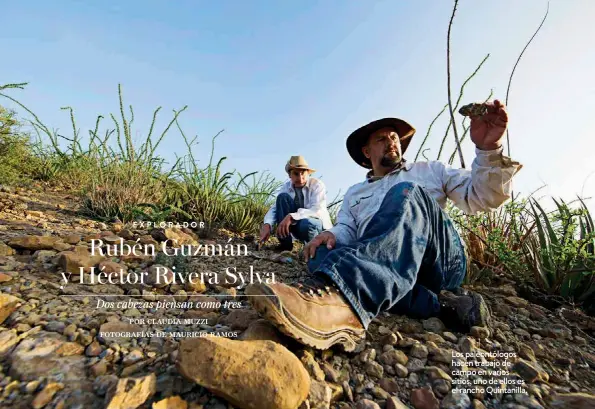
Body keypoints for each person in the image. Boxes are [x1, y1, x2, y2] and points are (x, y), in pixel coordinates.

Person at [247, 100, 522, 352]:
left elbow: (484, 196)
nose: (391, 142)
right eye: (382, 139)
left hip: (439, 262)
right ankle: (440, 305)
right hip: (387, 265)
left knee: (407, 192)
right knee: (317, 252)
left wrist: (488, 149)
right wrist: (329, 233)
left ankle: (340, 300)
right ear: (367, 152)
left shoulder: (428, 171)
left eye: (394, 137)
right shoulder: (355, 193)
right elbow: (347, 229)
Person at [259, 155, 333, 251]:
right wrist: (267, 224)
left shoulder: (317, 185)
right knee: (282, 198)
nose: (300, 178)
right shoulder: (286, 187)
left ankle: (314, 249)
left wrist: (291, 216)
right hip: (297, 225)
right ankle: (285, 246)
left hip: (315, 226)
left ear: (308, 174)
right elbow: (275, 208)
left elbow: (316, 210)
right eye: (296, 174)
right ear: (290, 175)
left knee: (309, 223)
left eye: (303, 173)